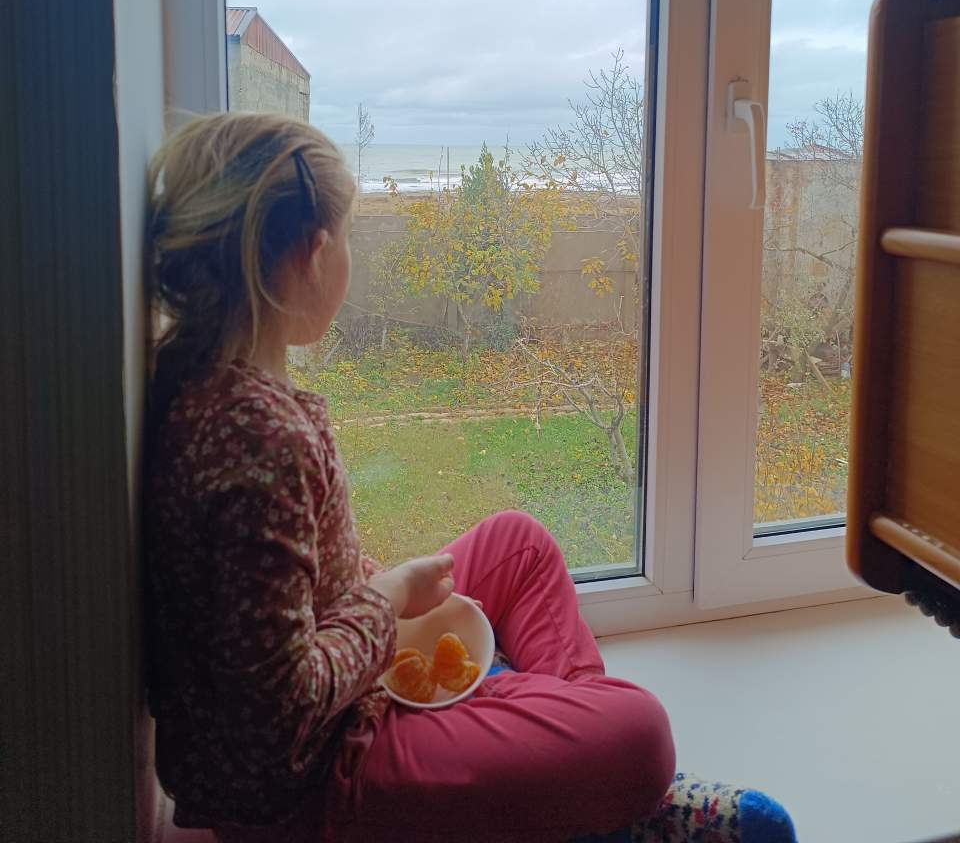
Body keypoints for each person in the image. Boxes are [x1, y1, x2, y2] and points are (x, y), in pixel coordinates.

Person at [144, 113, 794, 843]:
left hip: (334, 684)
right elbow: (277, 715)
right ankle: (599, 794)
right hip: (318, 776)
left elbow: (277, 594)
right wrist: (387, 599)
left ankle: (559, 776)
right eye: (348, 238)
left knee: (518, 543)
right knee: (641, 733)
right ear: (314, 252)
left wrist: (371, 589)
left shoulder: (203, 381)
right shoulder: (257, 437)